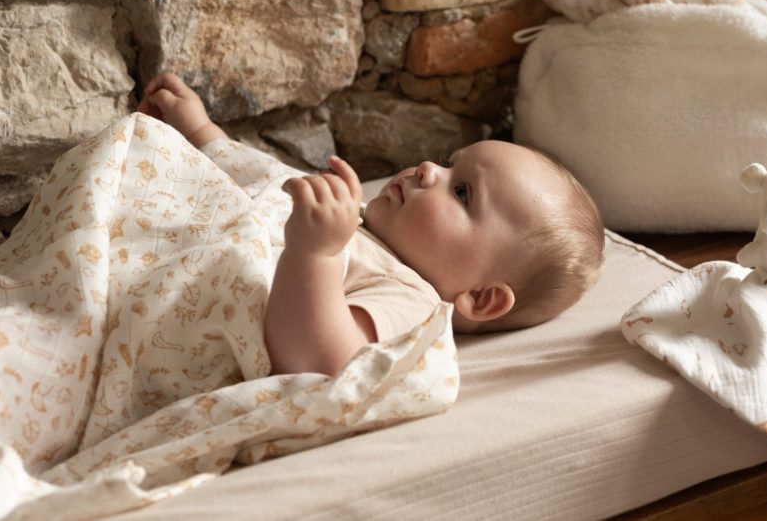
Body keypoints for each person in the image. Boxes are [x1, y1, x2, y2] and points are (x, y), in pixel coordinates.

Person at [137, 73, 605, 377]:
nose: (427, 168)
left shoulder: (411, 298)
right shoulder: (352, 215)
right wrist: (200, 132)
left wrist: (314, 254)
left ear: (480, 298)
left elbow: (318, 357)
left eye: (461, 191)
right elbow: (266, 178)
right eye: (447, 162)